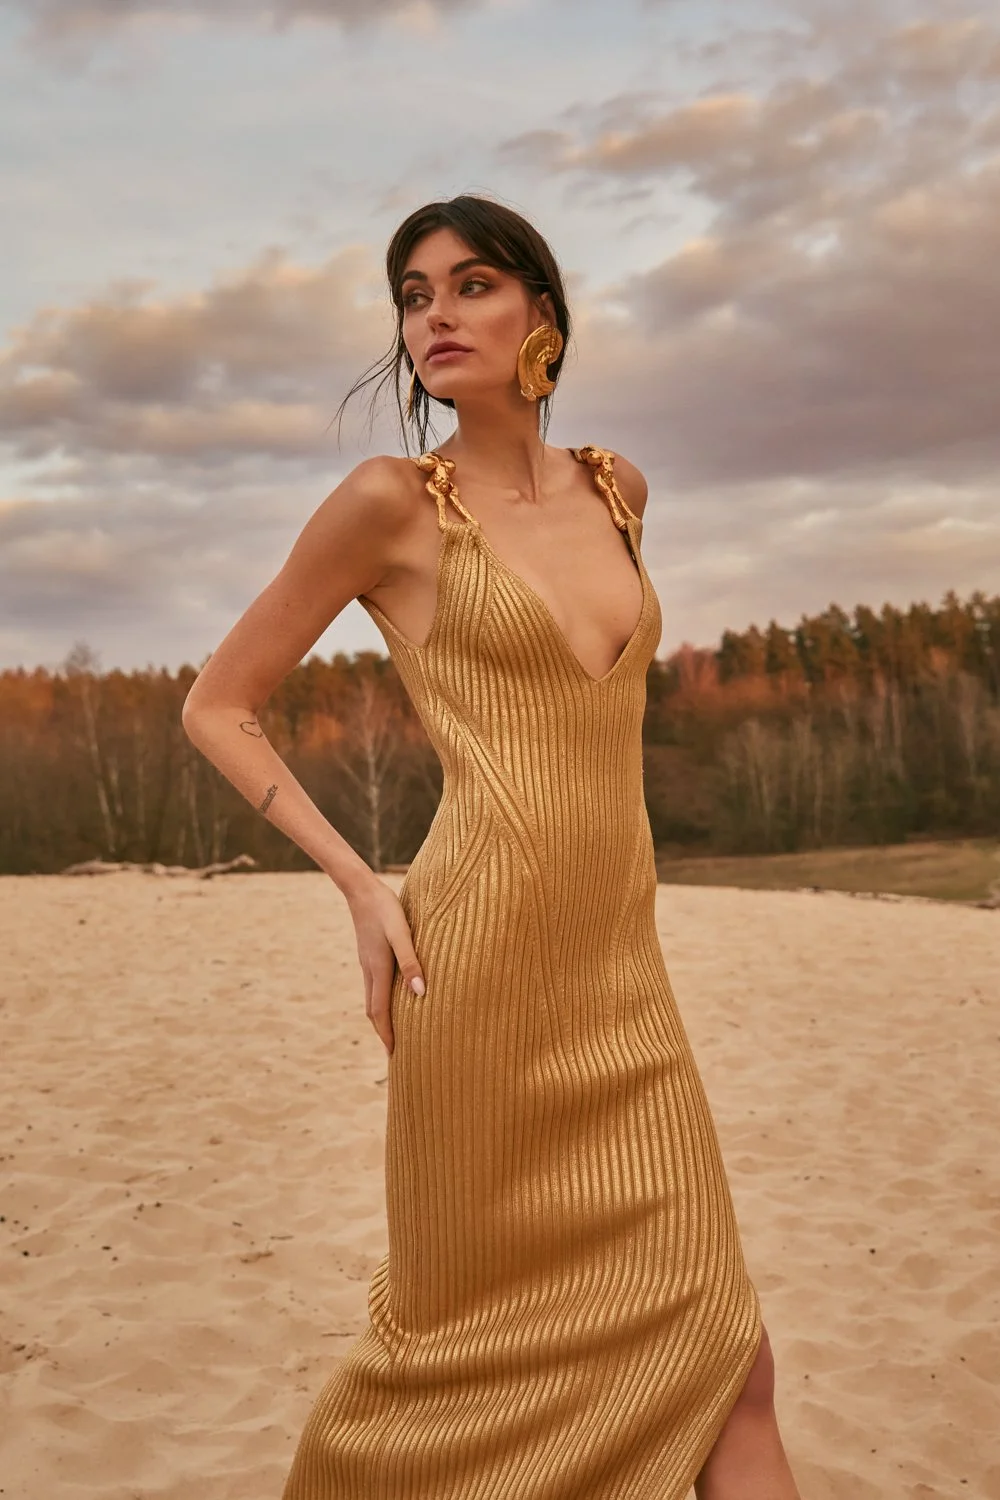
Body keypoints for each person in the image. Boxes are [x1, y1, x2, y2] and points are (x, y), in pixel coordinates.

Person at [182, 193, 801, 1499]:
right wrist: (358, 882)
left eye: (470, 286)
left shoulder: (619, 488)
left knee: (722, 1350)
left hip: (624, 980)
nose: (436, 316)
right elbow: (216, 704)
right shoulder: (388, 504)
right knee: (457, 1360)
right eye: (414, 296)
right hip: (474, 974)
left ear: (542, 316)